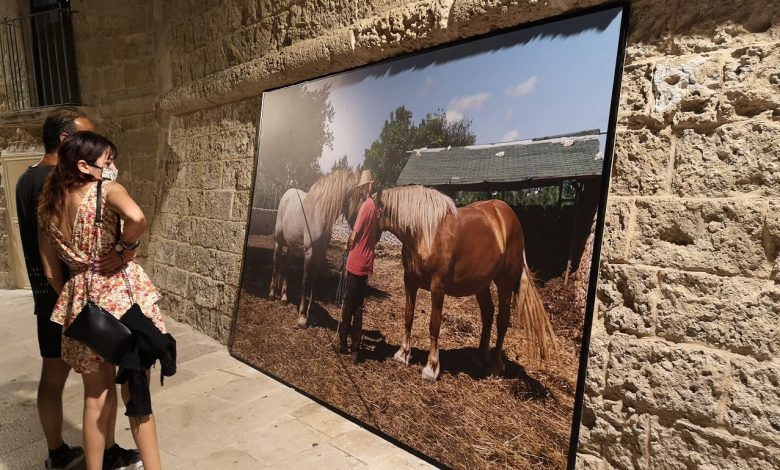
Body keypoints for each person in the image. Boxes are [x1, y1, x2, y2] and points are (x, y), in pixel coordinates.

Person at [16, 108, 139, 470]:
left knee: (53, 376)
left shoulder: (26, 179)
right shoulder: (61, 181)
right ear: (67, 141)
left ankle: (57, 453)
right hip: (77, 297)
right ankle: (107, 451)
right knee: (99, 386)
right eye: (88, 137)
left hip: (48, 295)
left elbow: (42, 249)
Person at [37, 131, 164, 470]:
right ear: (84, 165)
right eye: (108, 160)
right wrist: (124, 250)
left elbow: (50, 271)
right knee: (137, 390)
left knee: (95, 396)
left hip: (82, 303)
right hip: (122, 294)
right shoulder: (107, 190)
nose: (112, 167)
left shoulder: (49, 206)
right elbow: (137, 218)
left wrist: (80, 293)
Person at [334, 170, 382, 363]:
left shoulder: (365, 205)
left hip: (355, 262)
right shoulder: (376, 208)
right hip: (366, 263)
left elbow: (354, 234)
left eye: (364, 186)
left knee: (348, 304)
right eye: (361, 187)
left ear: (369, 186)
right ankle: (355, 349)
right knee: (359, 305)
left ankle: (343, 343)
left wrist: (347, 245)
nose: (362, 190)